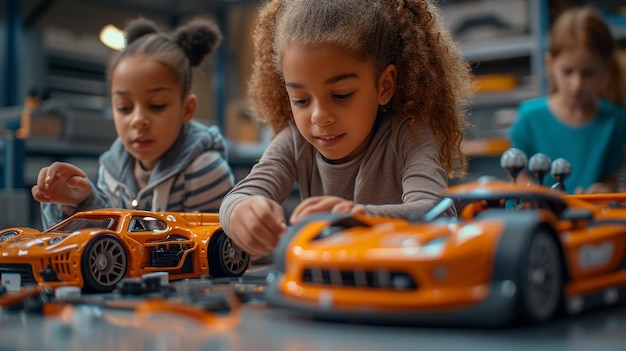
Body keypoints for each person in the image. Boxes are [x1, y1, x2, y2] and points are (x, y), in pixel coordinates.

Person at [219, 0, 473, 256]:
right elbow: (238, 197)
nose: (319, 116)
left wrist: (356, 218)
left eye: (341, 95)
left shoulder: (409, 135)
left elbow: (437, 212)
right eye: (301, 100)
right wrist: (243, 211)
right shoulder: (295, 141)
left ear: (384, 86)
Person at [32, 17, 235, 229]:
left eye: (156, 105)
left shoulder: (205, 170)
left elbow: (210, 253)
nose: (138, 120)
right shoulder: (112, 169)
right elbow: (103, 245)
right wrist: (77, 203)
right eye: (124, 108)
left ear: (187, 109)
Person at [509, 5, 626, 194]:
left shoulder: (616, 120)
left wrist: (605, 189)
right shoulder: (528, 118)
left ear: (605, 69)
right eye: (567, 71)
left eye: (588, 73)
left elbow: (611, 178)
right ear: (550, 64)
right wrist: (539, 195)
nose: (577, 84)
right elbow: (517, 174)